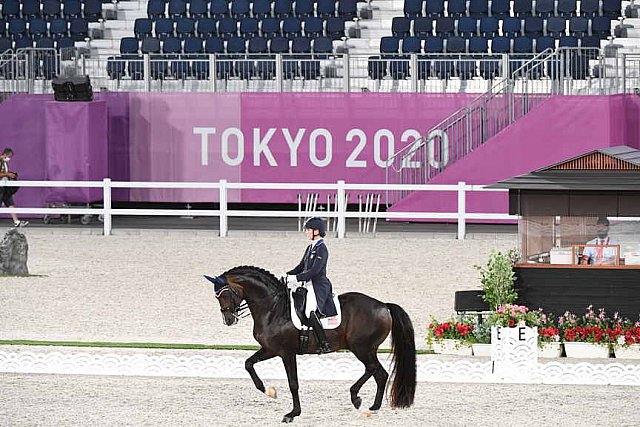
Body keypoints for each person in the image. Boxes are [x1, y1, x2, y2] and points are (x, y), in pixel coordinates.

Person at [286, 217, 337, 354]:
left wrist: (296, 277)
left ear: (316, 231)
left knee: (310, 311)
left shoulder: (322, 249)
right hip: (307, 283)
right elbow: (301, 266)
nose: (306, 232)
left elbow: (315, 271)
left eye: (308, 230)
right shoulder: (310, 248)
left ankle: (323, 343)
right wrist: (287, 275)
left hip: (318, 285)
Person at [0, 148, 28, 228]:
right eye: (9, 156)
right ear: (5, 154)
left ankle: (16, 221)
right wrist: (8, 175)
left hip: (5, 187)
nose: (9, 158)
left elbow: (4, 173)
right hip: (0, 187)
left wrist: (11, 174)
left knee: (10, 203)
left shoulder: (5, 163)